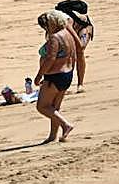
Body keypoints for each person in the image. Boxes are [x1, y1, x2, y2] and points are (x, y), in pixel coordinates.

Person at [34, 9, 83, 143]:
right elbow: (74, 54)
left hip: (55, 75)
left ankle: (66, 124)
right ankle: (52, 136)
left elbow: (50, 58)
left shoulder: (55, 37)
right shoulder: (68, 34)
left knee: (42, 107)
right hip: (67, 74)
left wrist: (39, 75)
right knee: (54, 108)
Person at [54, 0, 94, 93]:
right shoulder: (56, 18)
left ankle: (80, 84)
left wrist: (78, 44)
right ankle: (63, 85)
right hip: (72, 31)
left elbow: (71, 30)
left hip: (83, 29)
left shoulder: (68, 18)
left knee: (79, 53)